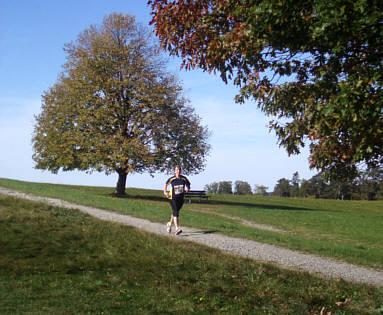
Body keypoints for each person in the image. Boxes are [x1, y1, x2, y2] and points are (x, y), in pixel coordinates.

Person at [163, 165, 190, 235]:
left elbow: (188, 184)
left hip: (181, 198)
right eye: (177, 170)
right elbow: (166, 184)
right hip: (172, 197)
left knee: (175, 212)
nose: (178, 171)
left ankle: (169, 224)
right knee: (176, 212)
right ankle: (177, 228)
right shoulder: (172, 179)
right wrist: (165, 192)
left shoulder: (184, 178)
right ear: (174, 171)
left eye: (179, 170)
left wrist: (187, 189)